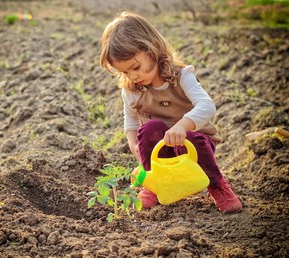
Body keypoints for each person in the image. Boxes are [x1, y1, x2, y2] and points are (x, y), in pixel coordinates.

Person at [99, 11, 242, 213]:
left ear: (152, 49)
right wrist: (133, 145)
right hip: (160, 153)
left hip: (193, 148)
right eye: (125, 72)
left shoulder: (181, 76)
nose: (133, 76)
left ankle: (217, 185)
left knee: (194, 137)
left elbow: (207, 106)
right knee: (150, 128)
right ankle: (153, 185)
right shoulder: (131, 89)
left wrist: (182, 126)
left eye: (136, 67)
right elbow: (130, 123)